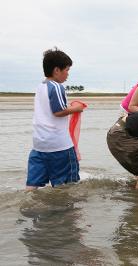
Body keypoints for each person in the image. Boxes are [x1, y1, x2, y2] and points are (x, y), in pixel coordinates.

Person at [26, 48, 86, 190]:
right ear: (56, 70)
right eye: (67, 70)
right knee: (66, 187)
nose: (68, 74)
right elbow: (58, 111)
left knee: (32, 186)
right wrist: (77, 108)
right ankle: (64, 212)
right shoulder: (57, 87)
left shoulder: (40, 86)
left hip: (39, 145)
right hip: (59, 147)